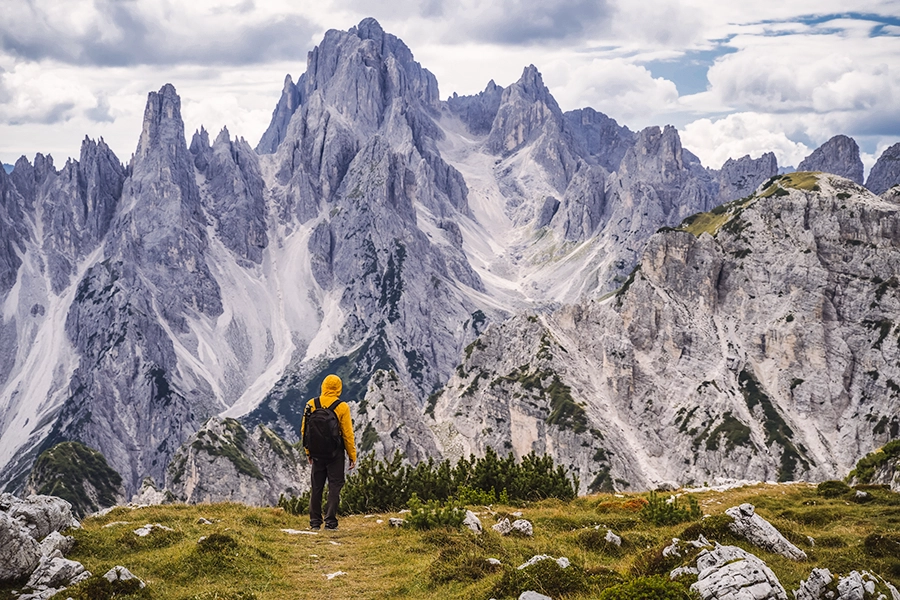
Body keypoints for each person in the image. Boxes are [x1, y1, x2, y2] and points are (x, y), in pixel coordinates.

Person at [301, 374, 357, 530]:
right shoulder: (342, 407)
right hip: (335, 454)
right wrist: (352, 455)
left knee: (316, 486)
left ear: (323, 386)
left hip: (317, 452)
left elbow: (304, 430)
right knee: (334, 486)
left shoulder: (311, 404)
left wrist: (308, 452)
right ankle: (330, 522)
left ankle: (314, 522)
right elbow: (347, 434)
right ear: (339, 388)